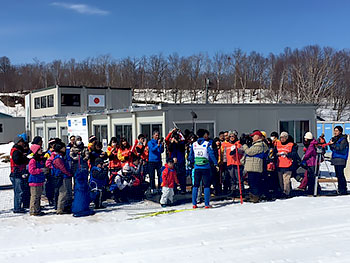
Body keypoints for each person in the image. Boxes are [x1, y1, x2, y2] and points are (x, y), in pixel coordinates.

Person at [189, 129, 218, 209]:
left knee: (196, 185)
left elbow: (191, 156)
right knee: (206, 186)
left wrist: (192, 162)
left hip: (197, 167)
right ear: (204, 135)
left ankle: (194, 204)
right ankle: (206, 204)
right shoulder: (207, 144)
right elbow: (211, 154)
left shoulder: (193, 144)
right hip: (206, 168)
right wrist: (215, 163)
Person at [241, 131, 269, 203]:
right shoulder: (255, 144)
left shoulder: (260, 145)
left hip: (255, 167)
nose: (252, 137)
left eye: (254, 136)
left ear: (258, 136)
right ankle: (252, 196)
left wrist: (244, 145)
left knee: (254, 183)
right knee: (251, 182)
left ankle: (255, 197)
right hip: (252, 166)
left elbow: (249, 152)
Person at [49, 142, 73, 214]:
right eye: (63, 147)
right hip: (62, 177)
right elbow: (62, 168)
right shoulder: (58, 158)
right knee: (63, 193)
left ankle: (64, 207)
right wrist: (68, 173)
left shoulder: (62, 157)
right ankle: (60, 209)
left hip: (64, 176)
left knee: (65, 192)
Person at [10, 136, 30, 213]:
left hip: (16, 173)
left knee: (18, 191)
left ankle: (18, 206)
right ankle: (17, 208)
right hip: (17, 174)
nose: (23, 143)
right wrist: (25, 159)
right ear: (18, 142)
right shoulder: (16, 151)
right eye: (22, 142)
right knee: (18, 191)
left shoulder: (17, 150)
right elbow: (17, 160)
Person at [275, 132, 298, 198]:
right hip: (279, 165)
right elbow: (274, 152)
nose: (282, 139)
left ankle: (286, 193)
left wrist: (287, 154)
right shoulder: (277, 144)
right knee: (281, 181)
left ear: (286, 138)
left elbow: (294, 154)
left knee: (286, 181)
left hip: (288, 165)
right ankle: (282, 191)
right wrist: (276, 154)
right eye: (281, 137)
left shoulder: (291, 145)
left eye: (284, 137)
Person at [28, 144, 48, 216]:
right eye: (40, 150)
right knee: (34, 196)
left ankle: (37, 209)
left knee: (38, 196)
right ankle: (33, 210)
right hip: (34, 181)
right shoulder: (33, 160)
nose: (41, 151)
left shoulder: (40, 159)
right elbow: (31, 171)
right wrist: (40, 170)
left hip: (40, 180)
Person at [329, 126, 349, 195]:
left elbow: (340, 148)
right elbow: (333, 149)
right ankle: (340, 188)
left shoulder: (343, 139)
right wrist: (331, 145)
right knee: (338, 174)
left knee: (340, 174)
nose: (335, 132)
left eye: (337, 131)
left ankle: (343, 188)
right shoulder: (335, 139)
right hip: (336, 158)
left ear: (340, 131)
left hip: (341, 158)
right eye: (334, 131)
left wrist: (333, 145)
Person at [166, 128, 186, 193]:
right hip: (173, 161)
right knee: (173, 174)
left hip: (181, 160)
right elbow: (169, 147)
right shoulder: (171, 144)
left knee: (181, 175)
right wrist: (171, 133)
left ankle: (183, 188)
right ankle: (174, 188)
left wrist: (179, 133)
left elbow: (183, 140)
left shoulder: (181, 143)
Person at [225, 130, 244, 196]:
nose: (231, 137)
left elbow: (242, 152)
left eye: (233, 136)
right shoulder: (227, 145)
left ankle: (241, 190)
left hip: (237, 163)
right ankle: (233, 190)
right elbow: (225, 154)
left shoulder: (239, 144)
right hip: (230, 163)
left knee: (239, 178)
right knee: (232, 178)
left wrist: (237, 150)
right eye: (230, 136)